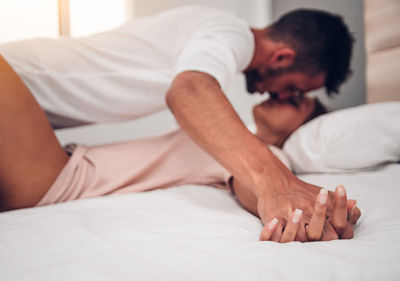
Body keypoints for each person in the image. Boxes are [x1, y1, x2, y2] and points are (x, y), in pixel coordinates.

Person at [0, 6, 355, 236]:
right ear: (281, 57)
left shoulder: (252, 153)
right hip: (23, 107)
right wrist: (275, 183)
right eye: (291, 88)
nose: (276, 95)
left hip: (43, 167)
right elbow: (189, 90)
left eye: (294, 99)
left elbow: (249, 184)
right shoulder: (228, 33)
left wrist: (283, 196)